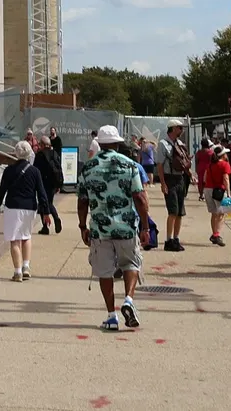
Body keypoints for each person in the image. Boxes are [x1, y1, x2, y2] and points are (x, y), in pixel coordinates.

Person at [78, 125, 152, 331]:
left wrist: (82, 226)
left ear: (100, 144)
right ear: (118, 144)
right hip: (126, 226)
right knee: (131, 264)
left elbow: (82, 201)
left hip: (100, 229)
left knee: (104, 271)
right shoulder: (130, 166)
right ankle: (128, 299)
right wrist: (145, 227)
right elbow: (139, 197)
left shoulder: (88, 167)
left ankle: (111, 315)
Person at [0, 140, 51, 281]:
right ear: (30, 153)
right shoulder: (35, 171)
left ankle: (17, 271)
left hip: (12, 206)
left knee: (14, 240)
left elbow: (2, 191)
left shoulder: (8, 170)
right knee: (26, 237)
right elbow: (41, 192)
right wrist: (46, 212)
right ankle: (26, 266)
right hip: (29, 207)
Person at [157, 119, 192, 252]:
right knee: (172, 211)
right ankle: (168, 240)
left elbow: (184, 163)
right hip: (169, 179)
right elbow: (160, 165)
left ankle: (176, 239)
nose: (181, 130)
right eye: (179, 128)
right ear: (172, 128)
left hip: (180, 179)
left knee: (179, 212)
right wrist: (163, 183)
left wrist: (190, 175)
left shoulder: (180, 144)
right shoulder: (163, 144)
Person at [34, 136, 64, 234]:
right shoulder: (54, 153)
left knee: (43, 203)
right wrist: (58, 184)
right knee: (49, 202)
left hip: (42, 182)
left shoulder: (40, 155)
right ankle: (55, 219)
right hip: (53, 183)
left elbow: (35, 169)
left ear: (42, 144)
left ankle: (45, 226)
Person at [203, 144, 231, 246]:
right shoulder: (225, 165)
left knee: (214, 213)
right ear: (223, 155)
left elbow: (204, 179)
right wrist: (228, 193)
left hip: (208, 189)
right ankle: (217, 235)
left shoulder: (210, 165)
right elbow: (226, 179)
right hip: (219, 191)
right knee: (221, 213)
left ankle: (214, 233)